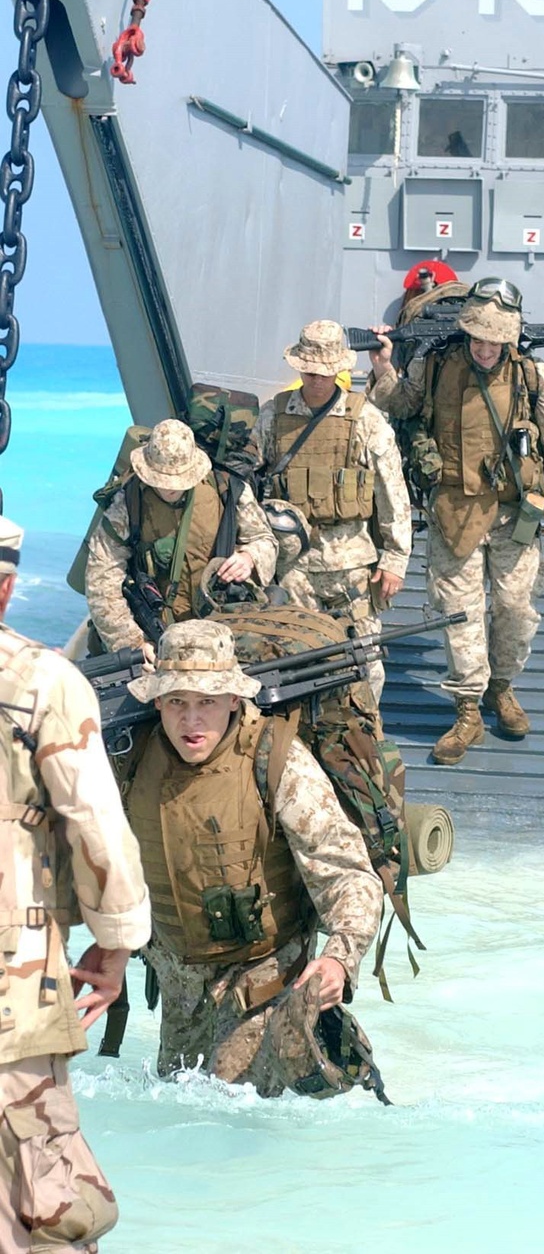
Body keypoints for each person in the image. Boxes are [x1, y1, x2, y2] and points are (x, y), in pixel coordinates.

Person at [119, 620, 383, 1095]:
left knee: (236, 1119)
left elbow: (347, 872)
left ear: (234, 700)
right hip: (180, 989)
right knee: (179, 1122)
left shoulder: (276, 760)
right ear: (157, 701)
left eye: (207, 703)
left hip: (263, 983)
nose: (191, 720)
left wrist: (339, 958)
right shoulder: (132, 761)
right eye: (177, 702)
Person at [369, 278, 544, 764]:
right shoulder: (433, 365)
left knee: (516, 610)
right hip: (454, 510)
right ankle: (468, 710)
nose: (485, 348)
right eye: (477, 337)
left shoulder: (533, 376)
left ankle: (502, 686)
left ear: (510, 337)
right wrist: (384, 368)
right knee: (461, 616)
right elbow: (402, 405)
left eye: (495, 340)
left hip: (515, 512)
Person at [0, 514, 150, 1252]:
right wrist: (118, 945)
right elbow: (94, 820)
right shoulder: (40, 682)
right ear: (6, 587)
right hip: (15, 979)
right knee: (46, 1199)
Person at [256, 320, 412, 706]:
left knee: (365, 661)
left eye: (325, 372)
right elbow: (248, 482)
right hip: (293, 565)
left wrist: (395, 558)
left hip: (351, 565)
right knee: (295, 661)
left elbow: (392, 491)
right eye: (310, 371)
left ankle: (365, 734)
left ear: (340, 368)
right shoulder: (273, 416)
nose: (318, 380)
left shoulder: (365, 419)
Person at [85, 418, 277, 661]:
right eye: (160, 480)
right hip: (159, 637)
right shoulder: (127, 502)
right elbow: (102, 579)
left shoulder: (228, 489)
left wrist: (250, 557)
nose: (170, 488)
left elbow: (264, 540)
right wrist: (133, 644)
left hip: (221, 628)